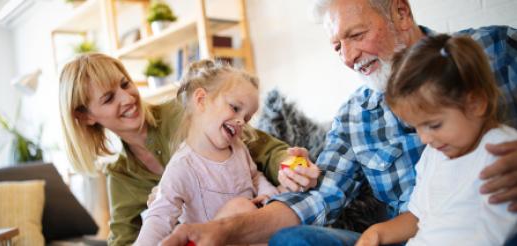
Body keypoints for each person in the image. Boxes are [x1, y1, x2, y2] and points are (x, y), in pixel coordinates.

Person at [161, 0, 517, 245]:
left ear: (401, 13)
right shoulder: (355, 115)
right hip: (407, 236)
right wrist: (223, 231)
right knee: (293, 240)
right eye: (336, 46)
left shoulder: (493, 49)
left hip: (494, 228)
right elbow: (317, 199)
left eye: (357, 35)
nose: (347, 57)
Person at [58, 53, 318, 245]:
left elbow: (263, 149)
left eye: (125, 84)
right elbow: (130, 235)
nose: (127, 98)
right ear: (85, 116)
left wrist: (290, 164)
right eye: (108, 98)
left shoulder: (186, 111)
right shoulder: (121, 174)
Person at [355, 34, 517, 246]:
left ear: (476, 102)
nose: (424, 138)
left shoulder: (502, 151)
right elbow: (418, 217)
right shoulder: (434, 154)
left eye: (434, 125)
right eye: (416, 127)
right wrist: (375, 233)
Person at [134, 59, 285, 245]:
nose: (240, 121)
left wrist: (269, 195)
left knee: (283, 202)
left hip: (245, 235)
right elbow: (159, 216)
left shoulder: (238, 148)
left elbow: (254, 176)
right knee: (241, 207)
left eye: (246, 117)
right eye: (235, 108)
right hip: (210, 240)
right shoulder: (183, 165)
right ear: (201, 100)